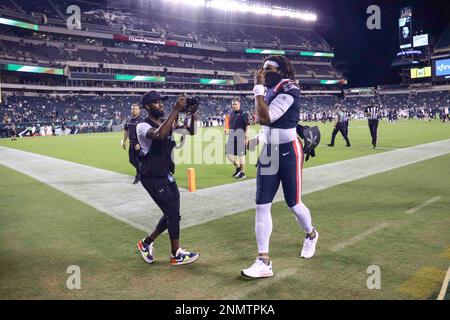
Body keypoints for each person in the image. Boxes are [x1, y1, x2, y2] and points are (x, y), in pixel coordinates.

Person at [241, 55, 318, 279]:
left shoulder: (289, 88)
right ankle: (263, 260)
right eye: (263, 68)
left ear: (282, 71)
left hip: (288, 151)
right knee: (262, 204)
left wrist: (257, 87)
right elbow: (266, 126)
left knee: (293, 204)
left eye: (270, 68)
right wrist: (257, 140)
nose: (265, 72)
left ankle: (311, 235)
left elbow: (267, 117)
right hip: (269, 151)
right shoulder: (271, 89)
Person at [136, 91, 199, 266]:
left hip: (166, 174)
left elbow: (192, 131)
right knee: (172, 213)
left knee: (172, 214)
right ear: (148, 107)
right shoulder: (142, 126)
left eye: (162, 102)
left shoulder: (168, 123)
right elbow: (159, 134)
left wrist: (192, 114)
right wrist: (176, 110)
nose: (161, 105)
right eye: (156, 103)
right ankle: (176, 254)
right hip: (152, 176)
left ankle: (146, 243)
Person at [225, 98, 249, 180]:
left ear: (239, 104)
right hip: (231, 137)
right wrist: (228, 132)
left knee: (241, 155)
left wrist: (246, 138)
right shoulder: (231, 113)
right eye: (232, 104)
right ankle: (238, 168)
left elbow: (247, 127)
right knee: (228, 154)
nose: (233, 106)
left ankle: (243, 172)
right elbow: (232, 125)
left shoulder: (244, 114)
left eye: (235, 104)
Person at [122, 104, 144, 184]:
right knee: (131, 160)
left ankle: (138, 176)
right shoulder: (129, 120)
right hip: (132, 143)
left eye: (136, 109)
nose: (134, 110)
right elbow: (125, 130)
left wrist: (139, 143)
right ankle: (143, 171)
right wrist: (124, 141)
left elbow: (143, 134)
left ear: (139, 110)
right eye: (133, 109)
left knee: (138, 159)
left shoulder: (142, 120)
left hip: (138, 143)